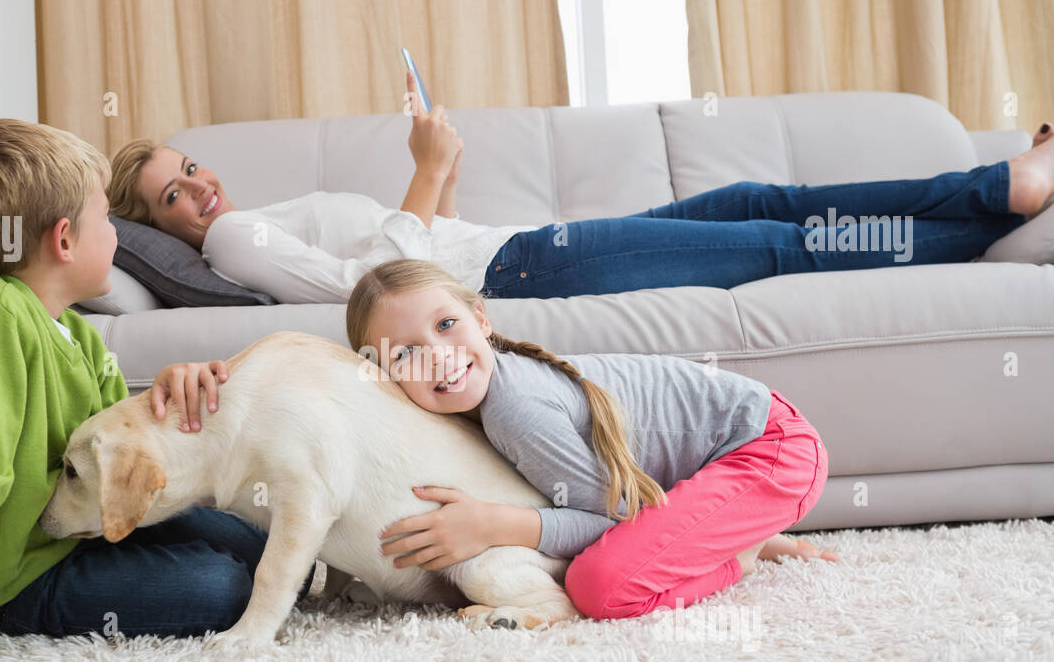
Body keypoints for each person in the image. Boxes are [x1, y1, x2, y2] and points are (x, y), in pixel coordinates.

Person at [0, 118, 312, 662]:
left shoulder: (76, 332)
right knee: (221, 587)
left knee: (251, 533)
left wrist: (161, 395)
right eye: (105, 218)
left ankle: (283, 570)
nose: (116, 234)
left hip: (77, 529)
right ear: (65, 240)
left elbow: (107, 444)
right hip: (19, 575)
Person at [105, 70, 1054, 305]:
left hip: (528, 248)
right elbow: (376, 292)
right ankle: (1001, 194)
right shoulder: (230, 247)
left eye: (189, 169)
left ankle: (994, 187)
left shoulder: (252, 218)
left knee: (757, 200)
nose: (198, 190)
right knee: (776, 248)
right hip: (520, 274)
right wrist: (430, 171)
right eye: (170, 197)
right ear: (157, 229)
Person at [345, 257, 842, 620]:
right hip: (735, 450)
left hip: (773, 449)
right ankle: (729, 528)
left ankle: (742, 552)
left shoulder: (516, 408)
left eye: (447, 325)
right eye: (406, 353)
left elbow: (616, 515)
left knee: (599, 587)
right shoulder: (476, 406)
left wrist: (496, 524)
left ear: (481, 319)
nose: (437, 355)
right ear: (384, 376)